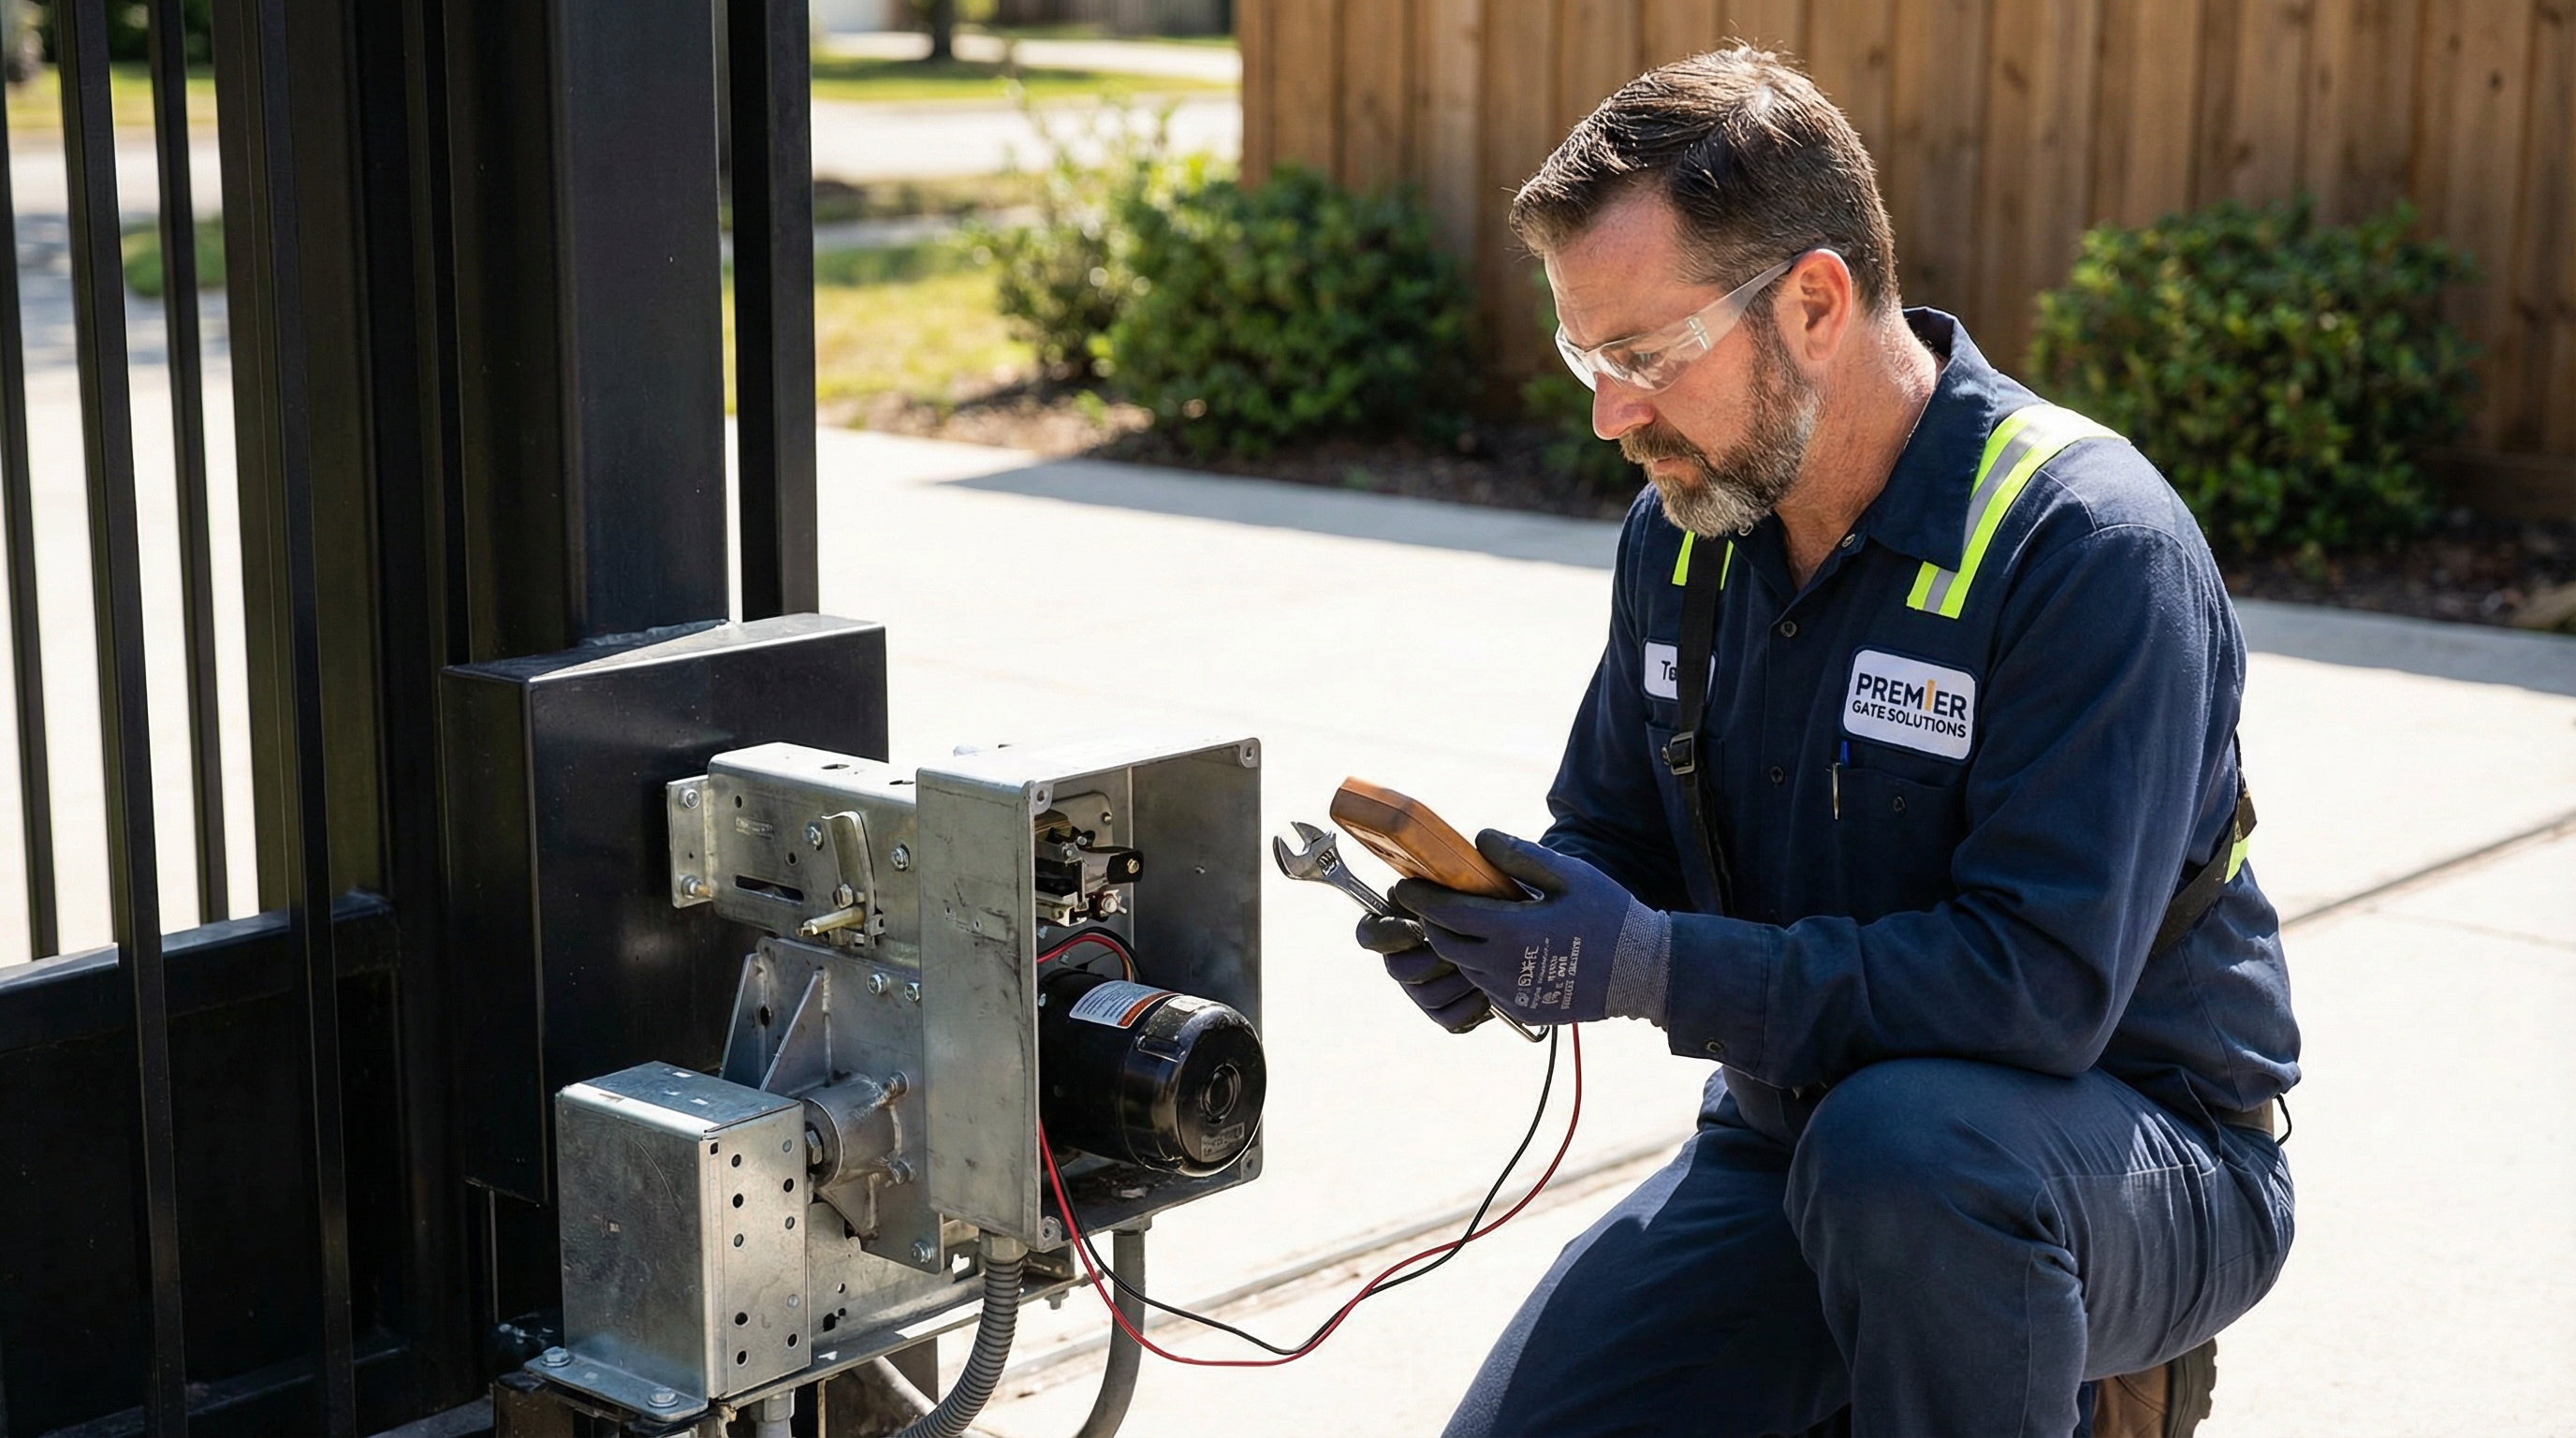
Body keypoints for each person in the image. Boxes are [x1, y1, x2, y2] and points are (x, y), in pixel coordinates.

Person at [1358, 48, 2299, 1438]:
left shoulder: (2085, 548)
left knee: (1910, 1163)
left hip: (2130, 1151)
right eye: (1584, 356)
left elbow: (2035, 993)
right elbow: (1618, 833)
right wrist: (1507, 925)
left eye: (1645, 357)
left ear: (1812, 302)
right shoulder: (1686, 533)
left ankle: (2083, 1382)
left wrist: (1656, 969)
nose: (1611, 412)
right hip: (1796, 1136)